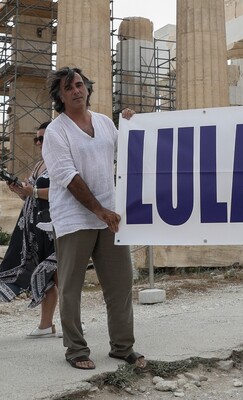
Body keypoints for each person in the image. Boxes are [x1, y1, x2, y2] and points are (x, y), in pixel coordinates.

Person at [42, 66, 145, 370]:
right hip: (75, 219)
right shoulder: (56, 131)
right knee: (72, 287)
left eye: (79, 85)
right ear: (60, 97)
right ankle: (75, 350)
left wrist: (130, 125)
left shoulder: (103, 122)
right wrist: (98, 209)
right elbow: (68, 176)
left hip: (109, 216)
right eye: (69, 88)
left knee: (120, 283)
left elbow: (126, 152)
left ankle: (122, 346)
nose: (76, 90)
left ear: (87, 88)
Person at [0, 122, 59, 338]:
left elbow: (63, 193)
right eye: (37, 139)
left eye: (43, 138)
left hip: (54, 226)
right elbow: (30, 196)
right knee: (45, 276)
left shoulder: (62, 161)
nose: (39, 143)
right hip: (32, 228)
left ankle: (62, 325)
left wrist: (32, 191)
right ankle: (47, 325)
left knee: (53, 274)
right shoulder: (39, 165)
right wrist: (20, 191)